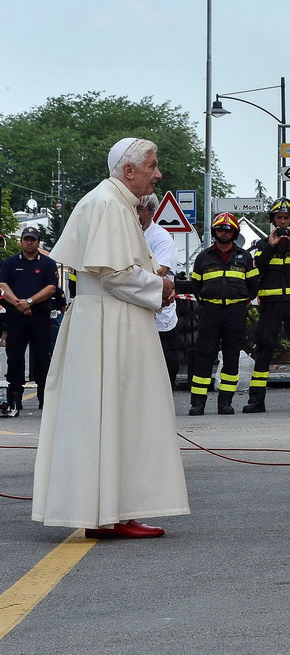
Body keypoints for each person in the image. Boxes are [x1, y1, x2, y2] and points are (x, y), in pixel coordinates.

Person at [32, 137, 189, 539]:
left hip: (113, 322)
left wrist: (157, 279)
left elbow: (127, 263)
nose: (158, 174)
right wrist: (160, 288)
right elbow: (115, 273)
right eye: (152, 166)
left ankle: (113, 509)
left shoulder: (118, 203)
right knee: (112, 414)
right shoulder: (107, 204)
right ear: (129, 170)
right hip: (109, 324)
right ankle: (108, 513)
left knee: (117, 417)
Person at [242, 197, 290, 413]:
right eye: (279, 218)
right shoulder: (262, 244)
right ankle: (256, 399)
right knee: (264, 347)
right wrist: (271, 246)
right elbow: (260, 266)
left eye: (286, 218)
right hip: (271, 304)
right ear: (273, 220)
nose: (283, 222)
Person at [188, 212, 259, 416]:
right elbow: (196, 285)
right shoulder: (203, 257)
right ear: (215, 232)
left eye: (228, 230)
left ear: (234, 233)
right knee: (204, 356)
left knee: (231, 357)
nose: (224, 233)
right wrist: (209, 302)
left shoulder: (245, 257)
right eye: (220, 229)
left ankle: (225, 402)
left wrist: (239, 302)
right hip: (210, 311)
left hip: (235, 312)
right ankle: (197, 403)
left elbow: (253, 285)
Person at [0, 227, 58, 414]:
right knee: (15, 357)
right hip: (16, 317)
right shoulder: (10, 263)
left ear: (38, 241)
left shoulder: (48, 264)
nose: (29, 242)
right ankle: (15, 396)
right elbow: (2, 285)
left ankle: (44, 395)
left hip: (39, 317)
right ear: (21, 242)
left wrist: (30, 302)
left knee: (42, 358)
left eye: (33, 239)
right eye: (26, 239)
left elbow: (51, 288)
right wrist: (19, 303)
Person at [138, 193, 180, 389]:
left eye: (140, 209)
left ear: (151, 212)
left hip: (160, 319)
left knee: (165, 368)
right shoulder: (126, 234)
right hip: (136, 315)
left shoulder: (160, 237)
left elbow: (159, 271)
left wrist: (131, 273)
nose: (135, 214)